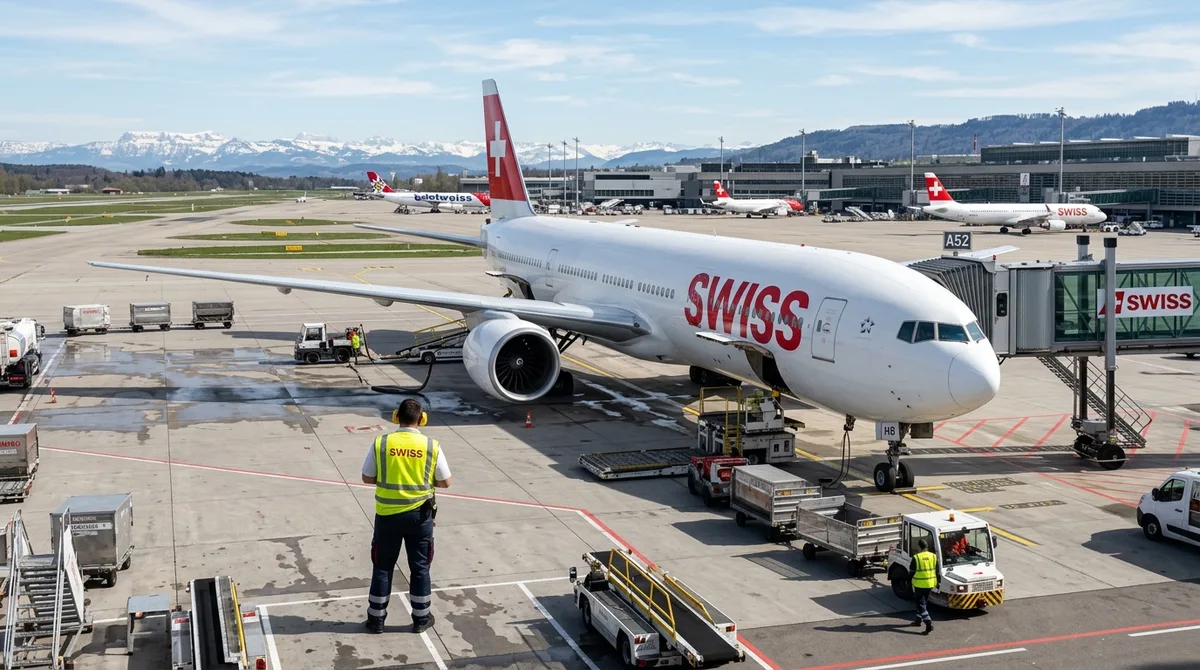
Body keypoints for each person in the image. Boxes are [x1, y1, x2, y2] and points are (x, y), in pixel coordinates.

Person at [361, 399, 452, 634]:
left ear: (395, 417)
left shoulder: (381, 442)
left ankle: (376, 620)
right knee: (420, 568)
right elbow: (445, 481)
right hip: (419, 517)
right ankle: (421, 619)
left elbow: (367, 477)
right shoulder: (431, 445)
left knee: (382, 567)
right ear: (421, 419)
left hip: (388, 517)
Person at [908, 538, 940, 635]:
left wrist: (908, 582)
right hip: (930, 584)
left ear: (919, 547)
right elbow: (937, 571)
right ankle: (918, 621)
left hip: (919, 584)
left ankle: (928, 624)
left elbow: (911, 572)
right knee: (924, 602)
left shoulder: (916, 557)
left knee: (920, 605)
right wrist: (938, 583)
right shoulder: (934, 556)